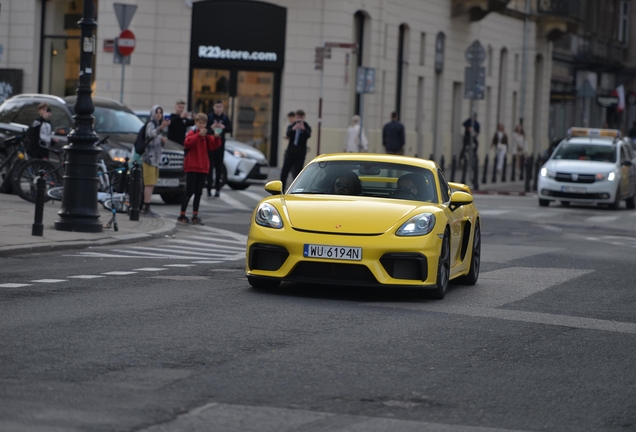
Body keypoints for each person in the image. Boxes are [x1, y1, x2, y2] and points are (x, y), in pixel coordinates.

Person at [178, 113, 221, 225]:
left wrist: (217, 138)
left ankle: (195, 215)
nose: (202, 125)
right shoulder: (192, 133)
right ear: (196, 123)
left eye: (203, 123)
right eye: (199, 123)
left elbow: (213, 146)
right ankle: (182, 214)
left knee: (198, 192)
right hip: (192, 166)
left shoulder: (207, 136)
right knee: (189, 191)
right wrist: (199, 136)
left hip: (202, 167)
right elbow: (187, 143)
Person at [141, 105, 170, 217]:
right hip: (149, 158)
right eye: (157, 112)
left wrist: (162, 141)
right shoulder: (151, 124)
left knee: (152, 183)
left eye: (160, 113)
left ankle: (147, 206)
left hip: (155, 160)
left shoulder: (157, 125)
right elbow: (150, 134)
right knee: (148, 183)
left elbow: (156, 141)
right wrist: (161, 129)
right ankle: (146, 206)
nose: (159, 115)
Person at [206, 99, 233, 198]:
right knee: (210, 167)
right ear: (214, 107)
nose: (218, 109)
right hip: (211, 145)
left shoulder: (225, 118)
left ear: (223, 107)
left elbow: (230, 129)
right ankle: (209, 188)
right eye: (216, 107)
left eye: (220, 107)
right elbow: (205, 129)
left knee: (219, 168)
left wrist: (223, 127)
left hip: (220, 145)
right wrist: (212, 127)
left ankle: (217, 189)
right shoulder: (210, 117)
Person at [280, 109, 312, 191]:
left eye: (301, 117)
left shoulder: (306, 126)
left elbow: (308, 135)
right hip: (290, 153)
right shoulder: (292, 126)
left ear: (304, 117)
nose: (299, 119)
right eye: (298, 117)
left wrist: (303, 128)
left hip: (300, 155)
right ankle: (281, 189)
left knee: (297, 173)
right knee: (284, 172)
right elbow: (288, 133)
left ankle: (296, 189)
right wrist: (294, 128)